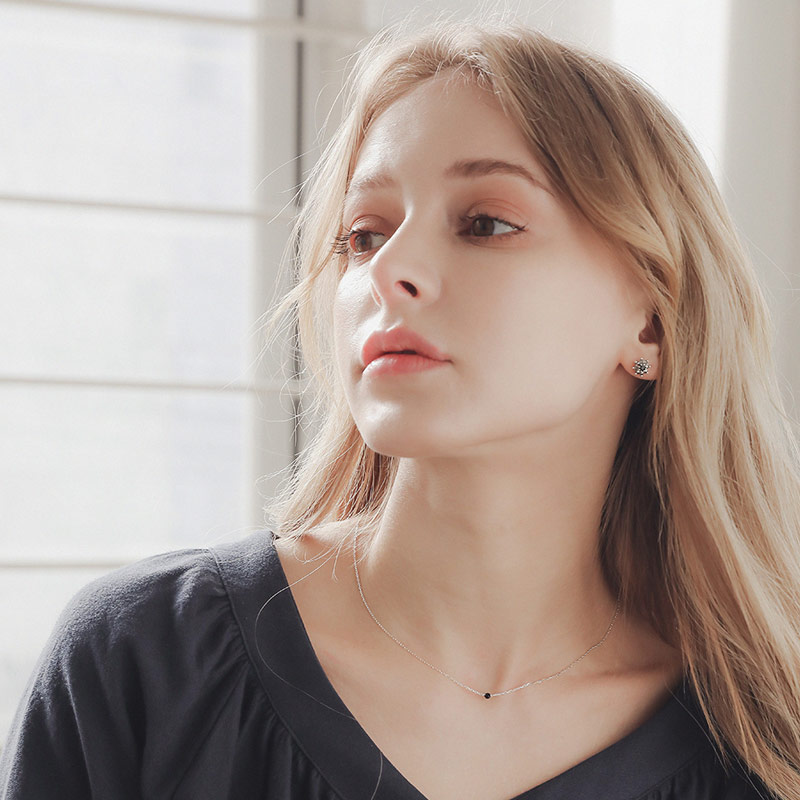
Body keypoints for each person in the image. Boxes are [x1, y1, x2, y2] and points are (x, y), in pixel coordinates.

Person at [2, 13, 799, 800]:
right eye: (364, 235)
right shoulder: (145, 663)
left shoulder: (763, 750)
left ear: (650, 319)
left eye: (485, 224)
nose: (389, 271)